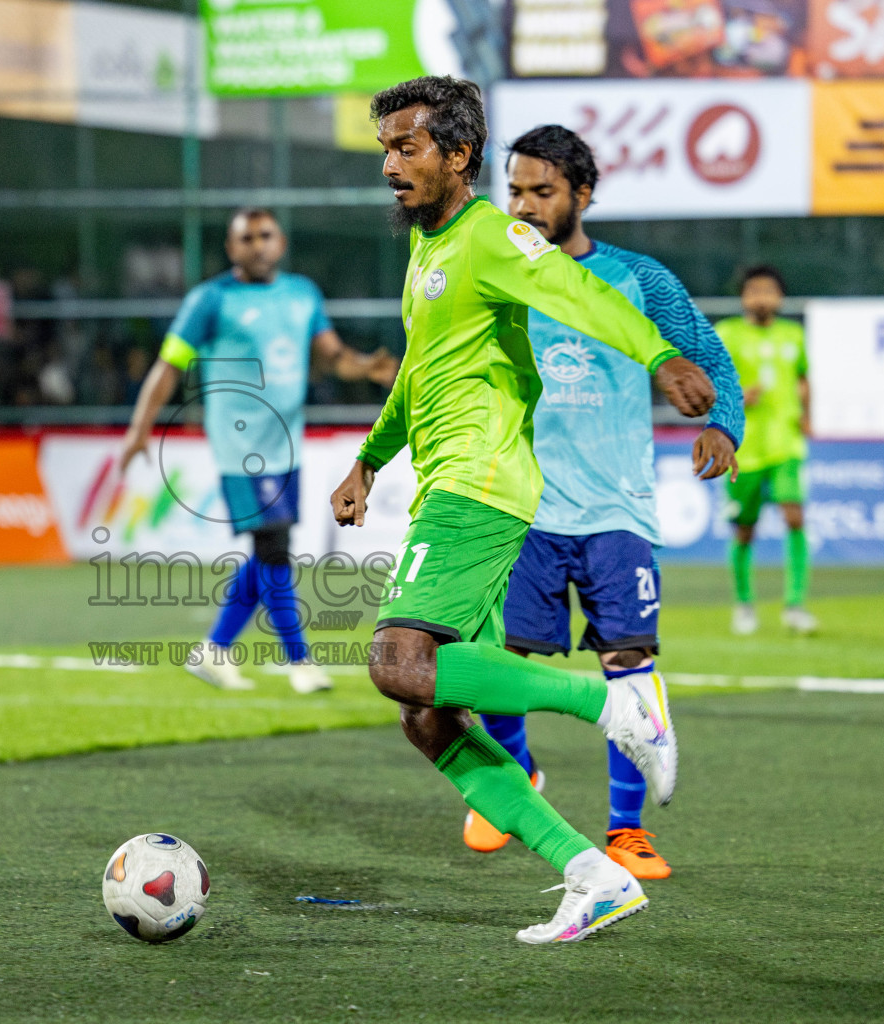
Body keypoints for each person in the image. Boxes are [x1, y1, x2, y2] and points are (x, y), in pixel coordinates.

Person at [330, 76, 716, 944]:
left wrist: (659, 358)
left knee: (396, 661)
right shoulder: (429, 249)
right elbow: (418, 372)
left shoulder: (490, 237)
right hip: (447, 481)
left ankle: (614, 705)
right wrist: (368, 458)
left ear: (457, 155)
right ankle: (593, 874)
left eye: (409, 147)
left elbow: (581, 294)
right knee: (426, 715)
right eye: (386, 148)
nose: (391, 164)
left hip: (481, 483)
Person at [454, 125, 744, 880]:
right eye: (514, 190)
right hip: (521, 509)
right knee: (500, 661)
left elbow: (708, 356)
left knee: (629, 663)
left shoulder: (638, 279)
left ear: (583, 195)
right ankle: (511, 788)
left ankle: (625, 832)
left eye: (541, 192)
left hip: (616, 512)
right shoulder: (496, 273)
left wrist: (724, 423)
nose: (522, 205)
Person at [121, 207, 399, 695]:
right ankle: (301, 661)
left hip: (285, 446)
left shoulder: (301, 294)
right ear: (231, 249)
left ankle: (214, 649)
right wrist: (139, 429)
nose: (257, 245)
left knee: (267, 551)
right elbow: (169, 367)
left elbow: (332, 356)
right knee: (274, 548)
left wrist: (367, 367)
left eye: (265, 235)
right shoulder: (210, 300)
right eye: (246, 238)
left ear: (281, 242)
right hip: (240, 448)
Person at [715, 266, 814, 636]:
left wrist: (807, 416)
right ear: (743, 297)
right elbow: (709, 382)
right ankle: (743, 605)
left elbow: (803, 378)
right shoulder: (727, 333)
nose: (761, 297)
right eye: (754, 290)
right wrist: (737, 397)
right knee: (744, 531)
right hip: (743, 448)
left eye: (769, 290)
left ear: (780, 297)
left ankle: (795, 605)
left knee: (795, 517)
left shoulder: (794, 334)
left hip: (785, 443)